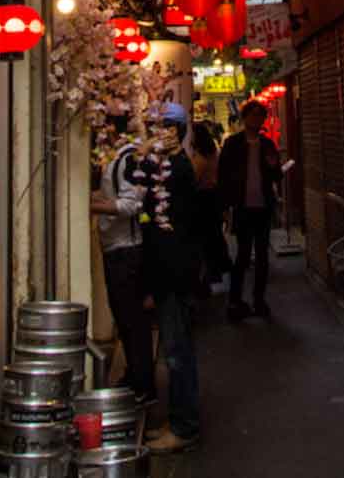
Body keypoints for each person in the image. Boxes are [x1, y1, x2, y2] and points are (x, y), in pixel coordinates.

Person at [136, 102, 202, 455]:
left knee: (178, 353)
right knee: (175, 351)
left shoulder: (175, 169)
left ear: (174, 132)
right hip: (169, 273)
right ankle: (177, 419)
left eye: (155, 126)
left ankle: (184, 426)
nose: (149, 132)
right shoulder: (169, 166)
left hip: (174, 274)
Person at [90, 136, 155, 405]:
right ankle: (135, 376)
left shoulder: (128, 159)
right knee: (125, 319)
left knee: (133, 320)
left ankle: (144, 385)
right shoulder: (118, 160)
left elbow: (132, 205)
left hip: (126, 251)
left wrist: (93, 206)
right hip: (117, 249)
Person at [218, 98, 282, 321]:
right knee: (243, 255)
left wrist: (274, 167)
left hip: (263, 207)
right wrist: (225, 206)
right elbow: (223, 176)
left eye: (259, 115)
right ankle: (235, 301)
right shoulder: (233, 144)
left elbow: (277, 176)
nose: (256, 119)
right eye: (252, 115)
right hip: (242, 206)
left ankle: (259, 300)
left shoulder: (267, 144)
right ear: (244, 118)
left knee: (263, 256)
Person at [192, 122, 232, 292]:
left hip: (203, 199)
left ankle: (210, 275)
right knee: (213, 235)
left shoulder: (200, 159)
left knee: (206, 238)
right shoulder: (213, 152)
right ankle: (219, 270)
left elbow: (194, 180)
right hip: (213, 197)